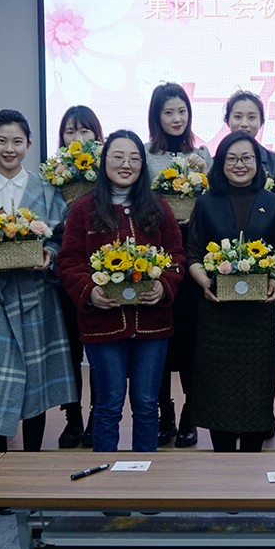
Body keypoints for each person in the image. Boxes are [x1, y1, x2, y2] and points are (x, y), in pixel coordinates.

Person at [57, 130, 186, 452]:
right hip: (102, 324)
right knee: (109, 404)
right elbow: (69, 261)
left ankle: (145, 473)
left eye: (134, 158)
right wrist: (88, 290)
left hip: (152, 324)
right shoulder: (83, 209)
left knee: (146, 403)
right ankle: (107, 478)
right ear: (104, 162)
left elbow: (177, 256)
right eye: (118, 157)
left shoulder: (158, 207)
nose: (126, 164)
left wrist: (163, 285)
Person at [0, 109, 75, 453]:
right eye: (2, 141)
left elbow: (61, 238)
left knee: (36, 381)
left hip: (36, 294)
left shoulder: (47, 189)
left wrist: (49, 255)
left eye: (17, 142)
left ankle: (31, 458)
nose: (10, 149)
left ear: (29, 144)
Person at [186, 131, 275, 452]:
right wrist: (204, 281)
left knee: (256, 386)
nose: (239, 164)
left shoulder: (274, 203)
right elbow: (193, 252)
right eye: (231, 158)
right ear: (220, 163)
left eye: (246, 158)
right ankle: (222, 459)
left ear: (258, 163)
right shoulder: (205, 202)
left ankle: (252, 457)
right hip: (217, 311)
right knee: (218, 388)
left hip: (257, 314)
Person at [144, 83, 212, 449]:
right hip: (155, 260)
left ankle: (190, 414)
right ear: (156, 116)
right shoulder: (143, 154)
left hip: (193, 259)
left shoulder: (201, 155)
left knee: (190, 344)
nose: (176, 118)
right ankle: (163, 413)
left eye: (182, 111)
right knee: (158, 341)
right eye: (168, 112)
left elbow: (212, 203)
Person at [54, 105, 105, 449]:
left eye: (85, 130)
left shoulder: (108, 172)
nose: (77, 137)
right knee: (70, 352)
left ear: (97, 136)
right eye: (70, 131)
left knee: (99, 351)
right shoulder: (54, 174)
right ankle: (72, 418)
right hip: (66, 277)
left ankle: (96, 418)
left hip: (104, 276)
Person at [224, 90, 275, 197]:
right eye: (238, 117)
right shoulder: (216, 161)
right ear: (227, 120)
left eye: (251, 117)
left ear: (261, 122)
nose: (244, 124)